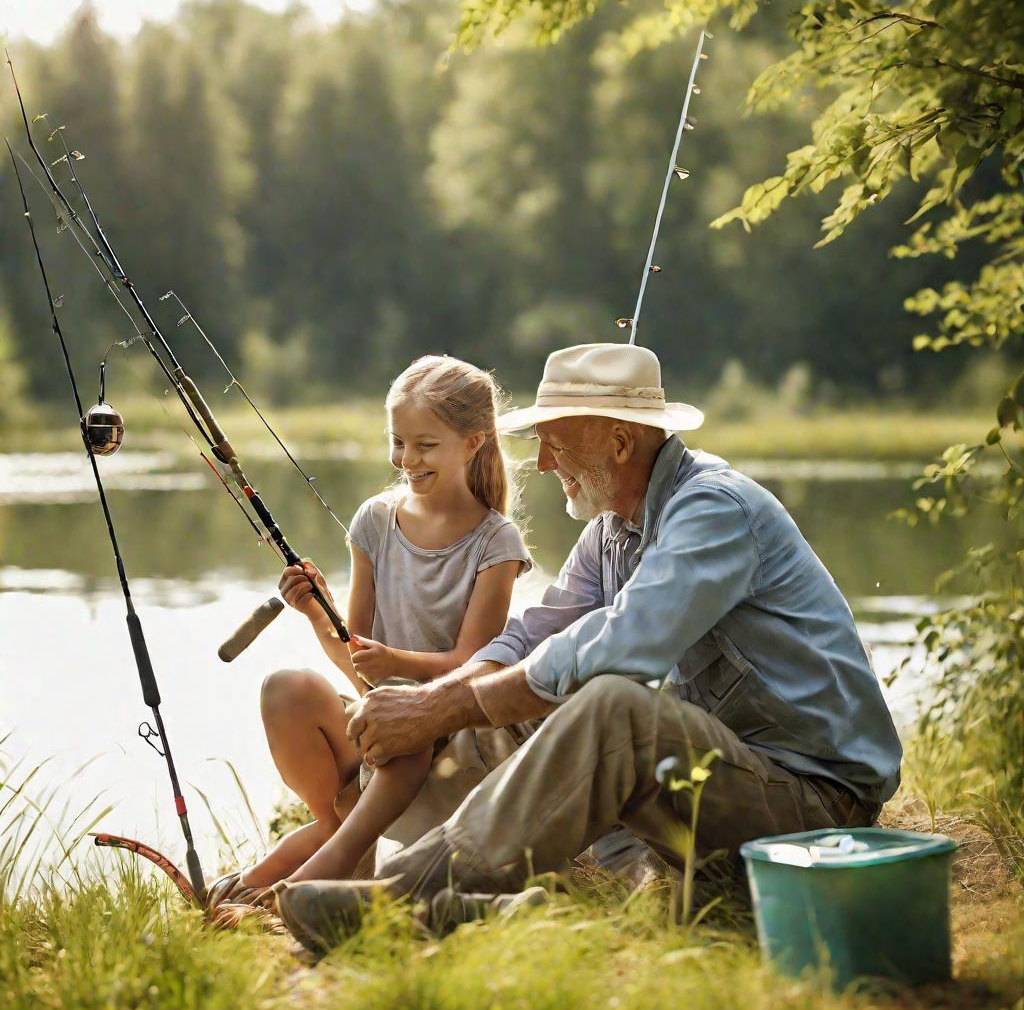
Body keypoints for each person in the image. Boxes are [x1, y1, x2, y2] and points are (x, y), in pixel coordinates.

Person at [272, 342, 904, 950]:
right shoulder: (612, 531)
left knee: (611, 707)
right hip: (723, 788)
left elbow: (619, 647)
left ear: (620, 443)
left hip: (814, 806)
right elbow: (534, 633)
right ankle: (390, 875)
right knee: (480, 719)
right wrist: (435, 701)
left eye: (554, 442)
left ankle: (399, 898)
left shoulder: (714, 511)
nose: (542, 463)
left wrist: (446, 705)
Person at [207, 355, 532, 923]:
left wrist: (395, 666)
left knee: (400, 706)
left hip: (450, 731)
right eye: (398, 442)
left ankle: (292, 885)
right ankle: (335, 827)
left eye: (425, 445)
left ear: (473, 442)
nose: (408, 460)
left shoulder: (497, 543)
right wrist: (316, 613)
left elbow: (472, 667)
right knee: (285, 688)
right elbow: (359, 663)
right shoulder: (374, 522)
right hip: (383, 730)